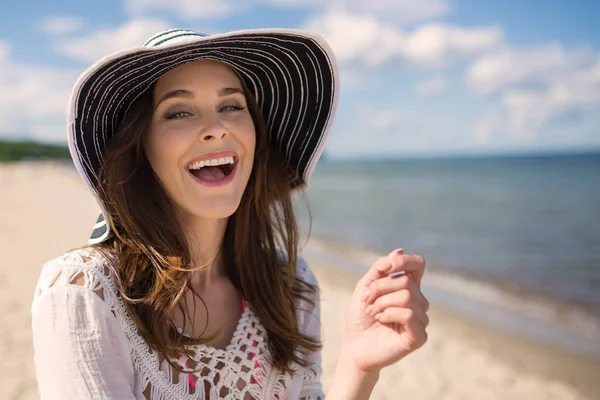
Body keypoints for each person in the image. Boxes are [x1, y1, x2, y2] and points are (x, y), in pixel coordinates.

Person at [31, 28, 430, 399]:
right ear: (140, 146)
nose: (217, 128)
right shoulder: (83, 294)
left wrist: (359, 364)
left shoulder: (289, 286)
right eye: (179, 112)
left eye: (231, 105)